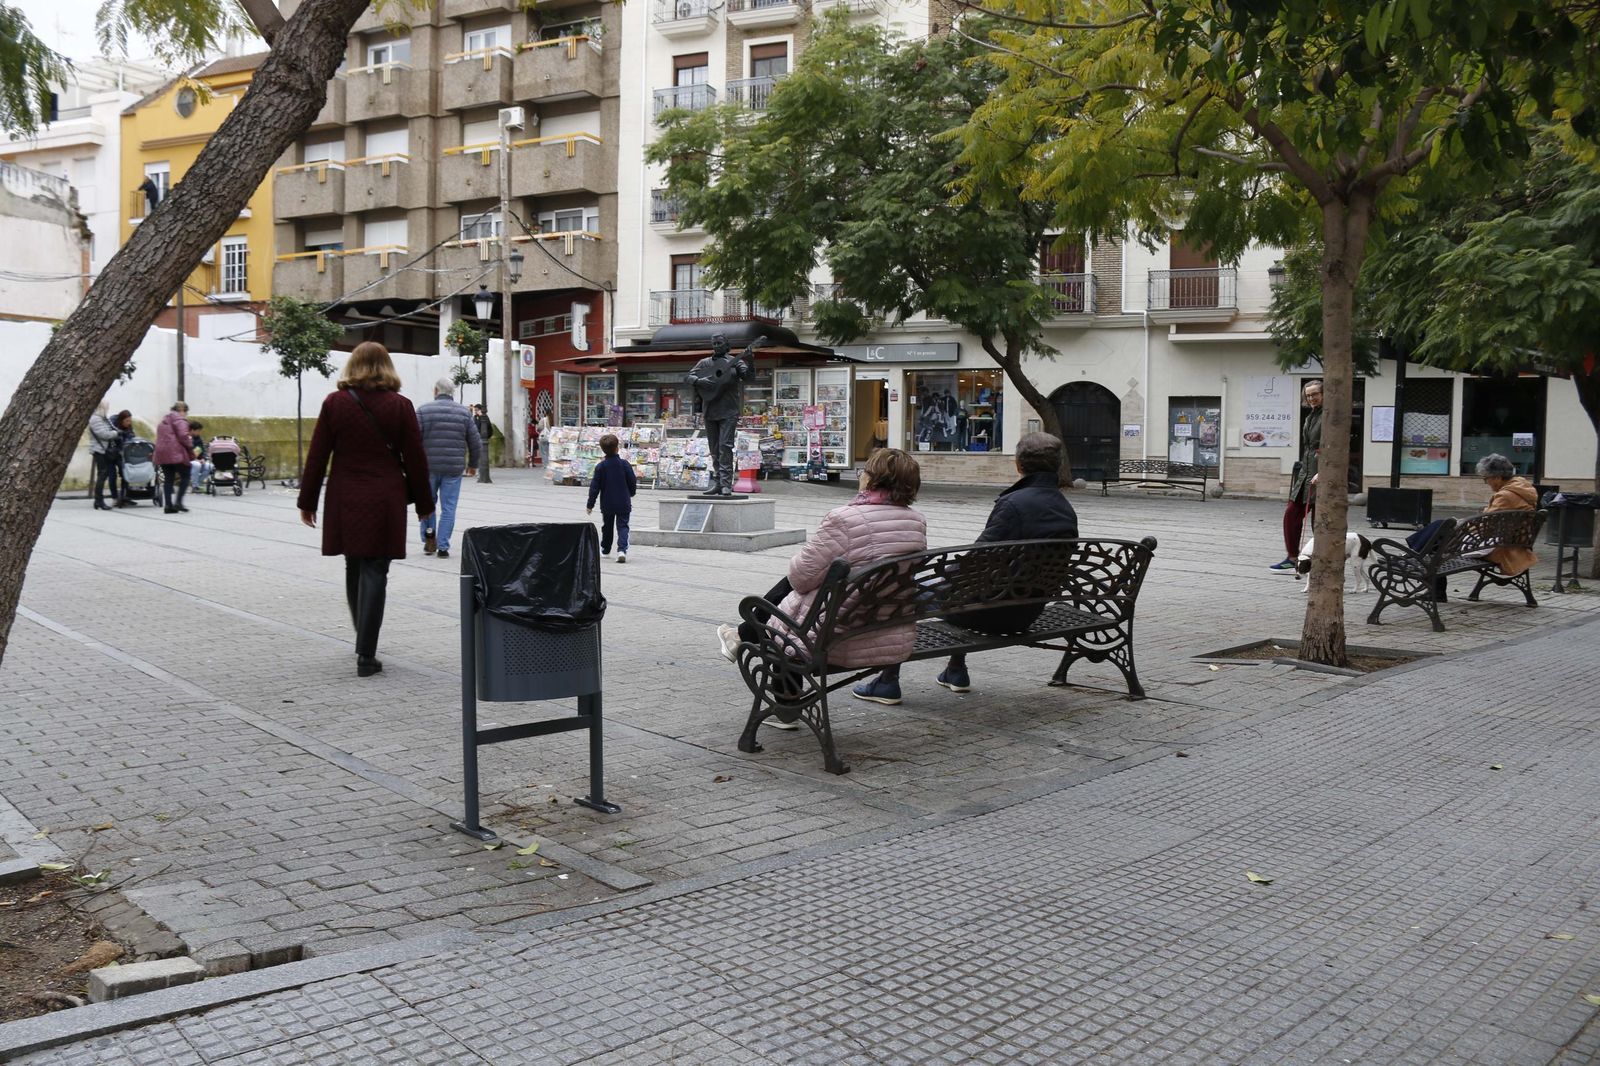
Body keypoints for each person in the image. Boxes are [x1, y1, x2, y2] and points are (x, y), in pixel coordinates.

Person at [853, 432, 1079, 703]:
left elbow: (975, 562)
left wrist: (942, 577)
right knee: (966, 587)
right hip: (1028, 609)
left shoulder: (1013, 505)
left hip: (997, 614)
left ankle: (887, 682)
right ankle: (955, 670)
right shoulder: (1065, 509)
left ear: (1018, 465)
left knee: (903, 589)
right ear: (1056, 466)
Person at [717, 448, 927, 728]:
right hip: (887, 629)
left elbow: (801, 576)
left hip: (837, 637)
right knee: (808, 594)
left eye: (864, 472)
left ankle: (784, 701)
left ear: (872, 480)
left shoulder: (844, 519)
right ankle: (742, 634)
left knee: (792, 605)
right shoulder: (916, 521)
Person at [297, 342, 434, 678]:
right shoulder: (400, 405)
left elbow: (318, 455)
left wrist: (307, 501)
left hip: (345, 495)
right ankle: (366, 653)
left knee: (354, 564)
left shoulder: (335, 403)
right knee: (376, 569)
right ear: (387, 367)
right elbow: (415, 459)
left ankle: (363, 642)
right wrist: (425, 505)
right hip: (385, 496)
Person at [1405, 453, 1537, 602]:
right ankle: (1414, 553)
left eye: (1486, 479)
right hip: (1508, 542)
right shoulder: (1522, 488)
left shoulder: (1506, 496)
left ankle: (1420, 565)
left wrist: (1462, 527)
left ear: (1497, 477)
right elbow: (1490, 521)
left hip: (1498, 547)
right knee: (1441, 526)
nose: (1486, 483)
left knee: (1438, 537)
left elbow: (1486, 526)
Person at [417, 377, 482, 561]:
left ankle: (429, 537)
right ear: (452, 392)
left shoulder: (423, 411)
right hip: (453, 468)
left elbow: (412, 440)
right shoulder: (463, 413)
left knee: (427, 504)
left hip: (428, 467)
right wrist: (473, 465)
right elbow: (475, 442)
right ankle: (443, 545)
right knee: (449, 507)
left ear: (436, 391)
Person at [686, 332, 759, 495]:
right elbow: (689, 376)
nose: (717, 346)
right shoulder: (704, 363)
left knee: (725, 447)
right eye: (714, 344)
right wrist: (698, 381)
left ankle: (726, 483)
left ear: (727, 345)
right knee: (714, 448)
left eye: (719, 343)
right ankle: (718, 482)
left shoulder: (736, 362)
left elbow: (749, 378)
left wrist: (750, 360)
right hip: (710, 410)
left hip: (729, 411)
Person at [1269, 379, 1323, 572]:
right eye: (1308, 395)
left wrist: (1322, 471)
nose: (1312, 398)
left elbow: (1331, 448)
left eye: (1315, 394)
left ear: (1324, 394)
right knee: (1291, 514)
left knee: (1320, 522)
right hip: (1306, 473)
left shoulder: (1328, 416)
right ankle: (1292, 557)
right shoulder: (1310, 417)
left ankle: (1321, 561)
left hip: (1322, 474)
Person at [586, 433, 638, 563]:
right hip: (623, 502)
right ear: (617, 448)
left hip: (607, 503)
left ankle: (605, 549)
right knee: (623, 526)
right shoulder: (624, 464)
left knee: (607, 527)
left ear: (602, 449)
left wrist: (590, 504)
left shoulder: (600, 467)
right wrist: (631, 493)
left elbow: (594, 487)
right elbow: (632, 480)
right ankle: (622, 550)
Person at [153, 401, 194, 514]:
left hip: (162, 453)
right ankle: (178, 502)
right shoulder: (180, 420)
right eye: (185, 412)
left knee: (168, 479)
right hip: (176, 453)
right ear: (181, 410)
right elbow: (183, 436)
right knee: (186, 475)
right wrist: (190, 447)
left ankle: (168, 505)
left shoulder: (163, 421)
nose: (186, 414)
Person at [88, 401, 121, 510]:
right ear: (101, 408)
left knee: (103, 474)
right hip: (99, 450)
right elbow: (104, 434)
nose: (107, 409)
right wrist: (116, 434)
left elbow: (109, 430)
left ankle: (98, 501)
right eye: (106, 408)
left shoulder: (102, 418)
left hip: (103, 449)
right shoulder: (95, 419)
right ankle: (99, 501)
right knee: (102, 475)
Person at [111, 411, 137, 506]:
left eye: (130, 421)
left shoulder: (129, 428)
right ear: (121, 420)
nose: (129, 423)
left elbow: (131, 437)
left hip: (122, 453)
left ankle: (124, 496)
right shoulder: (112, 425)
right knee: (112, 475)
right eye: (127, 421)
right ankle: (115, 498)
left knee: (125, 474)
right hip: (111, 453)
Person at [187, 420, 211, 491]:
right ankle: (195, 486)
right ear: (192, 430)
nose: (199, 432)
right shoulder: (185, 438)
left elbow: (202, 450)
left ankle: (197, 484)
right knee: (197, 465)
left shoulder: (198, 439)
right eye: (198, 431)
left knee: (209, 466)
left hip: (197, 459)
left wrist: (203, 458)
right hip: (187, 460)